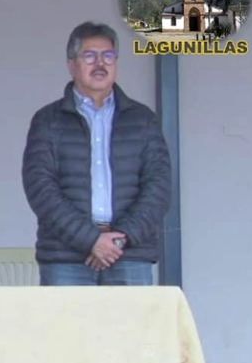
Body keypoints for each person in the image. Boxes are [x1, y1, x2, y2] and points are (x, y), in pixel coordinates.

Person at [21, 21, 171, 286]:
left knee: (132, 318)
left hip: (129, 254)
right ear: (72, 65)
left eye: (108, 56)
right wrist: (90, 240)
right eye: (89, 56)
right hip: (66, 257)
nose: (100, 64)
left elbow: (159, 187)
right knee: (67, 318)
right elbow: (40, 189)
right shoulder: (47, 120)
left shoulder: (143, 119)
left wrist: (119, 239)